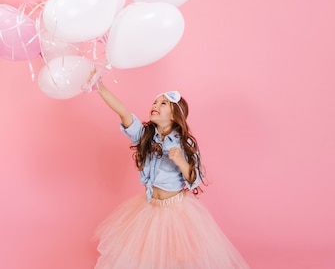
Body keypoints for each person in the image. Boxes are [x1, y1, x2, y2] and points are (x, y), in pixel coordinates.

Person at [90, 78, 250, 269]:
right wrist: (99, 87)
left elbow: (194, 178)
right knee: (147, 253)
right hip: (150, 206)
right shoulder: (145, 136)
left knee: (177, 256)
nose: (155, 105)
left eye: (163, 103)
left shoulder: (185, 144)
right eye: (154, 103)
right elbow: (123, 112)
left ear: (175, 115)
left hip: (176, 210)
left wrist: (181, 161)